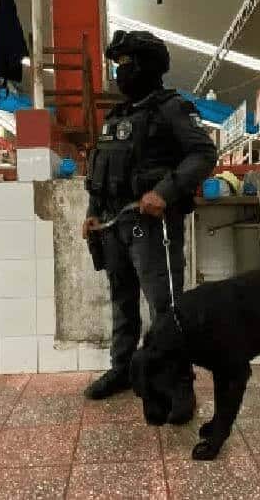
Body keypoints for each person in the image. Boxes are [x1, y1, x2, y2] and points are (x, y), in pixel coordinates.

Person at [82, 30, 217, 423]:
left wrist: (165, 191)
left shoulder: (171, 108)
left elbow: (203, 154)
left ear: (148, 66)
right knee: (123, 303)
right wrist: (92, 212)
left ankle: (179, 385)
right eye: (117, 65)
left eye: (126, 64)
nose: (120, 72)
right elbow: (100, 172)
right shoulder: (117, 116)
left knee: (165, 307)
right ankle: (123, 369)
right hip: (112, 226)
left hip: (152, 226)